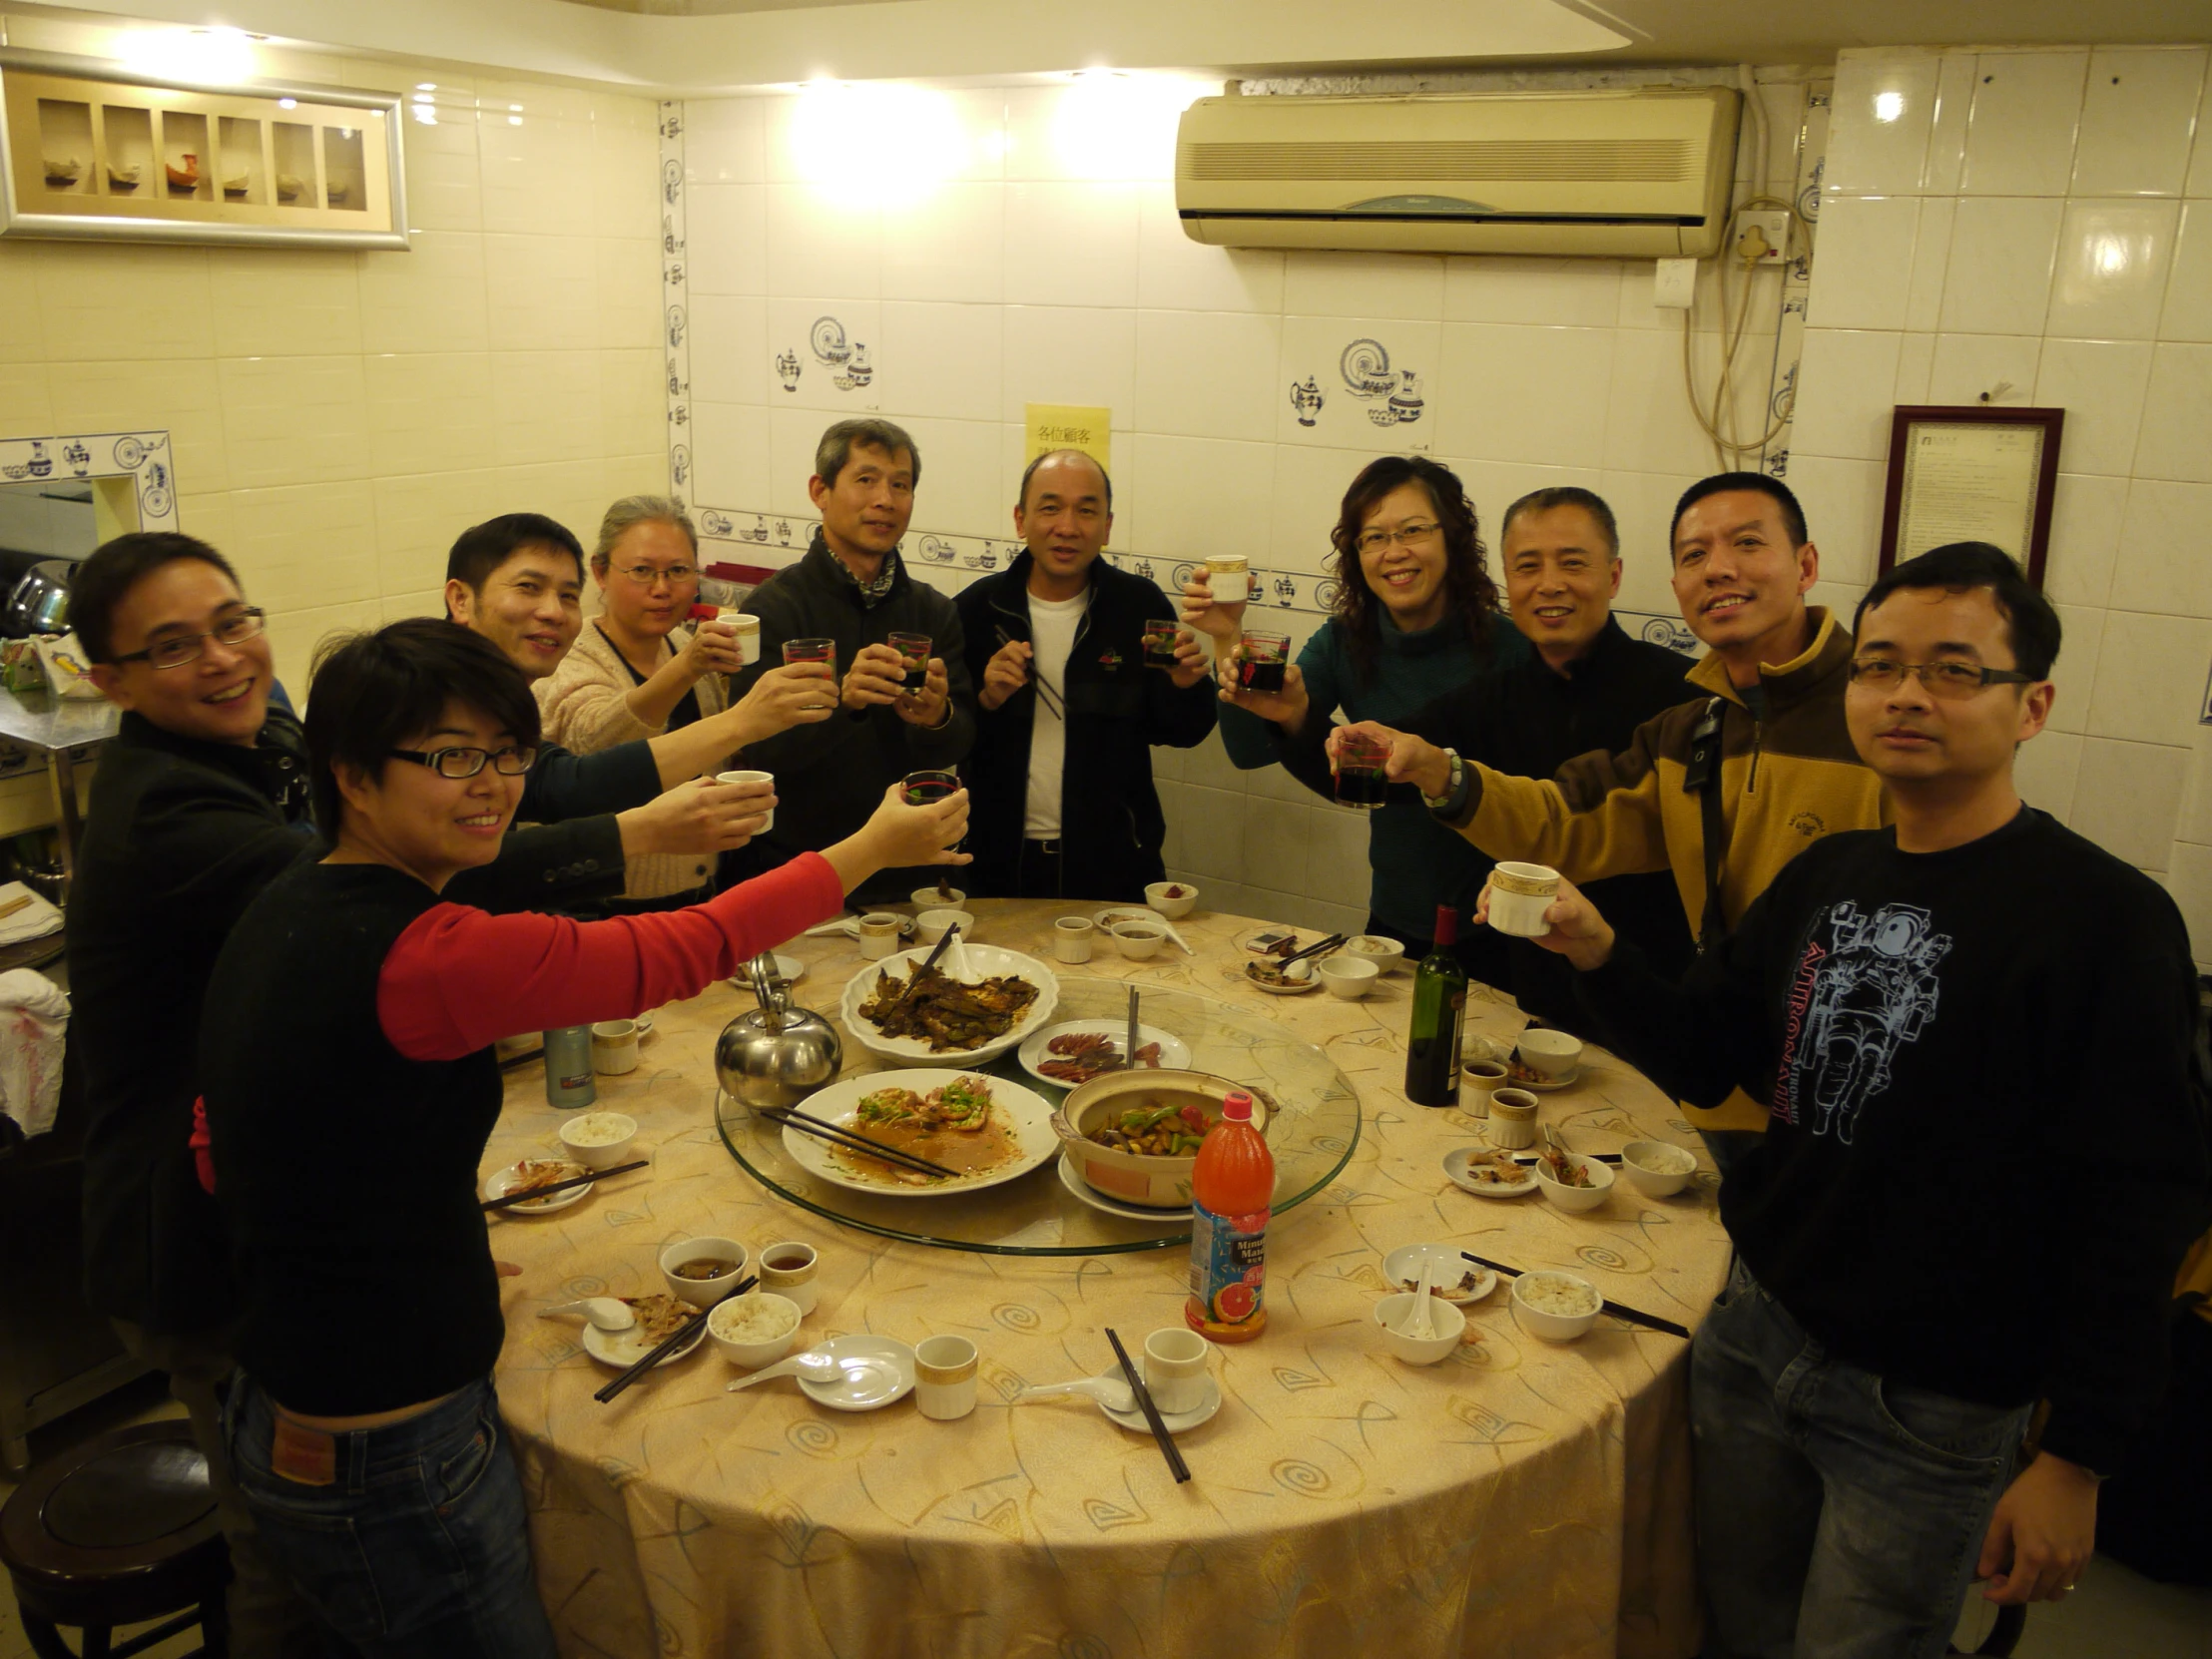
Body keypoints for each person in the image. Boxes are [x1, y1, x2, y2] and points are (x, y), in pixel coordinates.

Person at [199, 619, 967, 1656]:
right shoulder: (428, 953)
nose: (492, 785)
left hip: (285, 1397)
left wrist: (407, 1241)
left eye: (508, 754)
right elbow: (679, 949)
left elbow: (222, 1139)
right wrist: (870, 849)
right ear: (352, 775)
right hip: (387, 1448)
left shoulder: (291, 894)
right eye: (449, 758)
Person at [1509, 543, 2210, 1656]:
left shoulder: (2103, 921)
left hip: (1931, 1401)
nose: (1905, 695)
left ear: (2030, 705)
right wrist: (1597, 951)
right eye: (1878, 665)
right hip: (1753, 1335)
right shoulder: (1831, 876)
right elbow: (1708, 1056)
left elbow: (2140, 1201)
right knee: (1730, 1625)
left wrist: (2075, 1458)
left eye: (1951, 669)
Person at [65, 533, 639, 1659]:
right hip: (190, 1232)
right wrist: (626, 842)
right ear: (110, 680)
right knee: (284, 1564)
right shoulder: (165, 811)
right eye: (174, 646)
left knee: (324, 1550)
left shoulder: (269, 735)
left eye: (234, 622)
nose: (225, 658)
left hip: (281, 1205)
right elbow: (383, 883)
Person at [1339, 472, 1886, 1172]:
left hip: (1838, 1113)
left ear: (1805, 564)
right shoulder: (1694, 729)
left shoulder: (1875, 719)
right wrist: (1437, 771)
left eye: (1747, 543)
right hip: (1709, 1073)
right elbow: (1562, 820)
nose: (1718, 567)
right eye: (1694, 555)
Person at [1351, 486, 1698, 1032]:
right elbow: (1399, 765)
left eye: (1572, 563)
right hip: (1532, 1000)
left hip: (1657, 999)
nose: (1549, 584)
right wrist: (1301, 722)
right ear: (1508, 583)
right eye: (1528, 566)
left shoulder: (1683, 695)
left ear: (1613, 575)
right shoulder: (1494, 698)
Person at [1181, 455, 1530, 975]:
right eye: (1374, 537)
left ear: (1453, 538)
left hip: (1504, 928)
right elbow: (1248, 747)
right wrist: (1226, 634)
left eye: (1413, 531)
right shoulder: (1348, 640)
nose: (1395, 553)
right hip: (1393, 920)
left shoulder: (1511, 648)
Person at [445, 512, 830, 899]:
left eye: (566, 595)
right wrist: (740, 719)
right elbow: (582, 769)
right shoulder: (435, 701)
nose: (553, 612)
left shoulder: (501, 706)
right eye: (529, 587)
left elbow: (557, 784)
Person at [731, 419, 976, 903]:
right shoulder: (773, 609)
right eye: (866, 480)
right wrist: (842, 701)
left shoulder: (934, 611)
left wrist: (935, 719)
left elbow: (962, 738)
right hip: (802, 868)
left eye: (900, 484)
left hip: (911, 872)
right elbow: (756, 753)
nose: (885, 499)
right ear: (820, 490)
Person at [955, 449, 1216, 898]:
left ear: (1107, 526)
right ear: (1020, 519)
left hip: (1114, 861)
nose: (1068, 527)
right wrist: (985, 699)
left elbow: (1182, 732)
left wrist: (1187, 687)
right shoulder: (977, 609)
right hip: (992, 859)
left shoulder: (1138, 606)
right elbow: (941, 735)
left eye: (1087, 510)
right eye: (1050, 507)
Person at [533, 496, 751, 907]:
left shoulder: (681, 643)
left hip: (700, 893)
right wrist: (687, 668)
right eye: (642, 572)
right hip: (603, 905)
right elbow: (593, 747)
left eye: (679, 572)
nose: (662, 589)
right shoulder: (570, 654)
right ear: (600, 572)